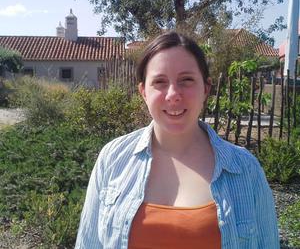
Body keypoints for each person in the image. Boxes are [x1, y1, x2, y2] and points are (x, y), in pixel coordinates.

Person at [75, 31, 279, 249]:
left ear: (206, 89)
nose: (173, 94)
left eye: (186, 80)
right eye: (160, 82)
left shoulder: (245, 169)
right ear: (144, 92)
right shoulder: (113, 158)